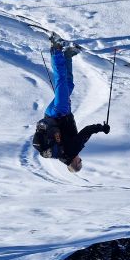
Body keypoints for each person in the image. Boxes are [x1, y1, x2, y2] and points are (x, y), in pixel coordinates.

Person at [33, 37, 110, 172]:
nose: (80, 159)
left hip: (60, 113)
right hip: (50, 115)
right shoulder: (58, 155)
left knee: (61, 81)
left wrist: (102, 128)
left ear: (75, 162)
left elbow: (87, 131)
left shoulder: (72, 150)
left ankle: (56, 48)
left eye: (80, 161)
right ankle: (68, 55)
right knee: (68, 84)